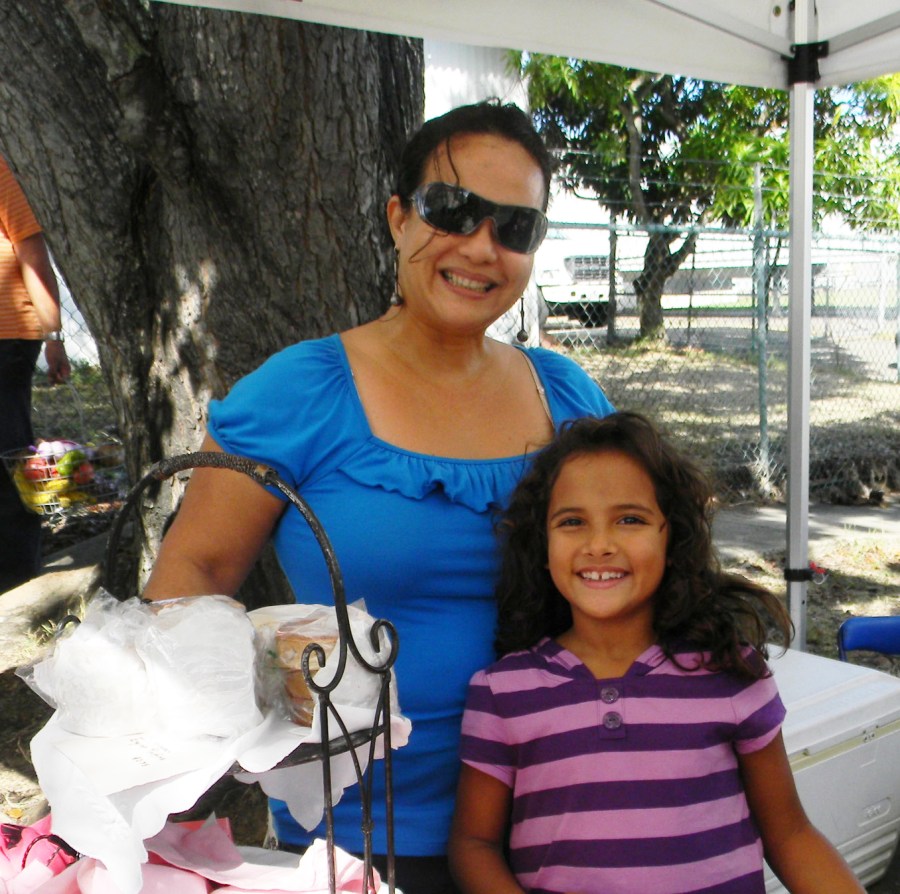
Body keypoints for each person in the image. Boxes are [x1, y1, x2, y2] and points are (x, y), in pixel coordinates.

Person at [143, 101, 615, 893]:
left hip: (564, 812)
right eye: (451, 209)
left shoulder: (567, 397)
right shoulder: (299, 392)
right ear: (398, 217)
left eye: (515, 227)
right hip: (364, 834)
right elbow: (193, 573)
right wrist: (205, 740)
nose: (480, 246)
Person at [449, 412, 865, 894]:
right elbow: (474, 844)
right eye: (572, 522)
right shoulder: (503, 694)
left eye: (630, 519)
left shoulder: (730, 672)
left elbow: (791, 834)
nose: (599, 545)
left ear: (673, 538)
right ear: (542, 544)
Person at [0, 154, 70, 593]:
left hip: (5, 337)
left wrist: (53, 333)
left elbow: (30, 249)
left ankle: (17, 582)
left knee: (8, 459)